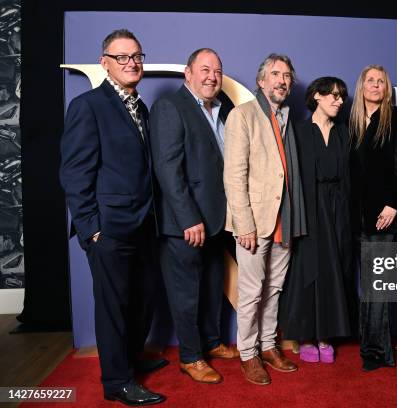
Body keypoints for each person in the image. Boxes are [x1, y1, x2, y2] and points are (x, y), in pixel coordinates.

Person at [59, 29, 166, 406]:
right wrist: (92, 230)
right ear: (105, 63)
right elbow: (74, 173)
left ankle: (131, 361)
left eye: (136, 55)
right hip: (109, 229)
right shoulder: (88, 106)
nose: (132, 63)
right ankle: (117, 382)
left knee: (144, 299)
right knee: (114, 307)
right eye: (122, 57)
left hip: (143, 225)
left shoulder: (140, 107)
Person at [149, 48, 238, 385]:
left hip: (216, 219)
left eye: (217, 70)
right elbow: (168, 169)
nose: (211, 76)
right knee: (186, 292)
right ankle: (190, 357)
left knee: (214, 285)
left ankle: (212, 342)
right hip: (185, 222)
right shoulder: (171, 107)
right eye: (204, 69)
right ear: (188, 73)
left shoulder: (222, 108)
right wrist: (188, 218)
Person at [223, 53, 307, 385]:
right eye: (275, 74)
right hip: (254, 222)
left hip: (286, 217)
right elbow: (233, 176)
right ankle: (248, 354)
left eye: (287, 75)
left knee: (274, 289)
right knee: (251, 291)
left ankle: (269, 345)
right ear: (261, 81)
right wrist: (243, 224)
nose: (282, 80)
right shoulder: (242, 116)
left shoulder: (287, 117)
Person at [279, 77, 355, 364]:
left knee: (335, 270)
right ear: (317, 97)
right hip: (309, 209)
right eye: (333, 95)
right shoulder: (298, 132)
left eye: (341, 96)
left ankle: (326, 335)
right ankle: (306, 335)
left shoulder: (344, 133)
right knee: (309, 271)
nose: (338, 100)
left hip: (339, 209)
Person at [349, 64, 397, 371]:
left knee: (379, 287)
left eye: (381, 81)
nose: (376, 85)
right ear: (361, 85)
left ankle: (377, 352)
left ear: (387, 88)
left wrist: (393, 205)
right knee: (368, 286)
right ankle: (370, 347)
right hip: (356, 219)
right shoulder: (350, 123)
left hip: (384, 216)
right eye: (370, 81)